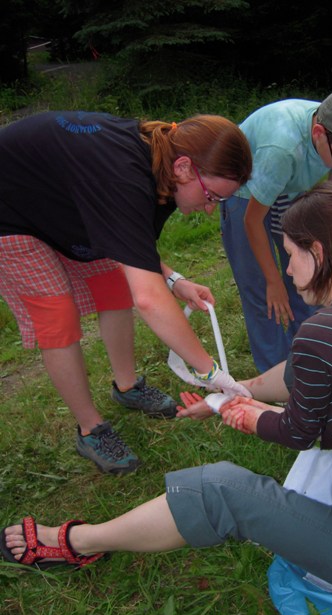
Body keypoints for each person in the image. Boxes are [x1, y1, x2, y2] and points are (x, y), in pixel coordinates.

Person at [1, 183, 332, 597]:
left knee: (219, 488)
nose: (287, 269)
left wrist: (241, 412)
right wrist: (233, 393)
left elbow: (297, 433)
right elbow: (304, 374)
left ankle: (77, 542)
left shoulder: (326, 333)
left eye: (290, 255)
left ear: (318, 253)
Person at [0, 111, 252, 475]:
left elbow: (133, 246)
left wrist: (174, 280)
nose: (211, 208)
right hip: (10, 210)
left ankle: (127, 386)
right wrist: (210, 372)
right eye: (212, 195)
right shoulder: (124, 176)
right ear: (184, 167)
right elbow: (147, 299)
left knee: (116, 286)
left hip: (60, 201)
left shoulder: (164, 174)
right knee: (57, 316)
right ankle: (90, 429)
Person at [221, 86, 332, 372]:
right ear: (318, 134)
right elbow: (252, 221)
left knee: (308, 277)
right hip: (246, 194)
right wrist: (273, 281)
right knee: (263, 292)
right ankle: (276, 374)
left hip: (289, 187)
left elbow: (330, 193)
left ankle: (311, 359)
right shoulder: (282, 148)